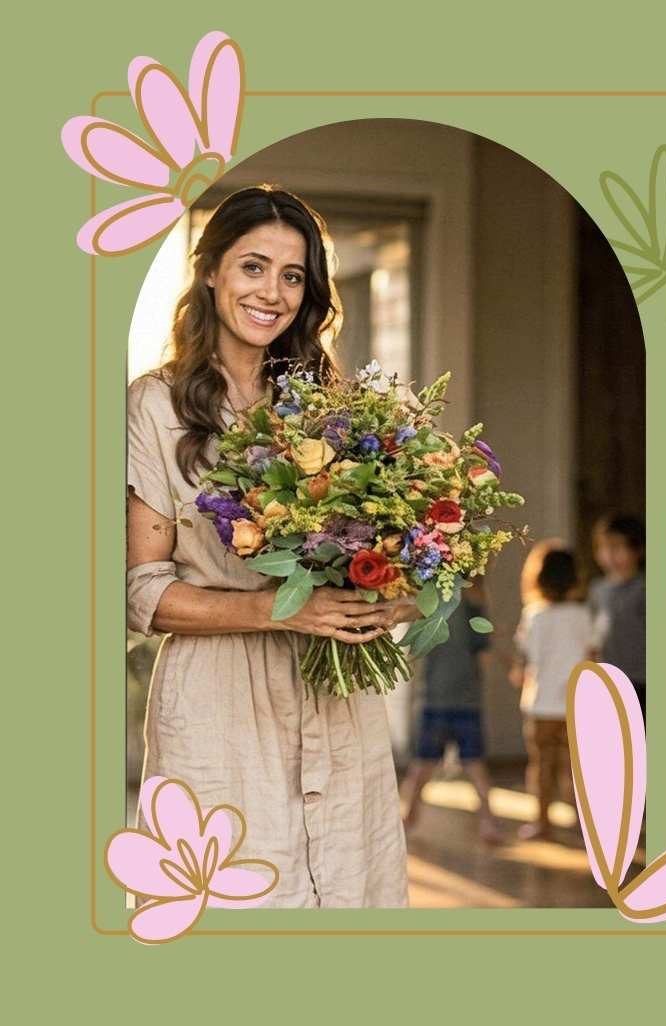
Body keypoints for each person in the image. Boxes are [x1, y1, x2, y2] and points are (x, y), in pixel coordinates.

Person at [124, 185, 413, 907]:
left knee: (350, 898)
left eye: (292, 276)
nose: (272, 293)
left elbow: (404, 558)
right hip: (217, 707)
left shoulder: (342, 409)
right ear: (211, 271)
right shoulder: (156, 406)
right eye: (253, 267)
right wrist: (284, 611)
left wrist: (389, 596)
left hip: (337, 703)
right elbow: (141, 593)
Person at [510, 542, 596, 843]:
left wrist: (518, 673)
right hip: (578, 701)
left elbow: (525, 660)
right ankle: (585, 824)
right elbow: (593, 655)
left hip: (541, 702)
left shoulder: (534, 615)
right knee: (578, 767)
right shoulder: (583, 615)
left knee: (541, 764)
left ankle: (542, 822)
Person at [401, 592, 502, 843]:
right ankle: (488, 822)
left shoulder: (423, 608)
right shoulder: (473, 608)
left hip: (433, 699)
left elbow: (412, 652)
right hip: (467, 700)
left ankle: (407, 821)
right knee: (474, 764)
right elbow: (485, 656)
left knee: (421, 766)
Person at [585, 514, 645, 693]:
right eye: (603, 547)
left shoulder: (644, 588)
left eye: (616, 547)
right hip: (609, 680)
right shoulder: (597, 589)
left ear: (638, 549)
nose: (609, 555)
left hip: (641, 680)